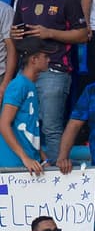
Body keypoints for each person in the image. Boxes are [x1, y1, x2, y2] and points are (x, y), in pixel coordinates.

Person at [12, 0, 89, 161]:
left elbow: (83, 34)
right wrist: (15, 35)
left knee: (51, 127)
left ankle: (57, 176)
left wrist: (50, 33)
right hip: (26, 70)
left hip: (55, 69)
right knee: (21, 123)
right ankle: (25, 172)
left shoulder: (67, 0)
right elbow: (16, 32)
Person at [0, 37, 54, 176]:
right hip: (15, 166)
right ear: (34, 60)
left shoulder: (29, 85)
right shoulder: (19, 85)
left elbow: (30, 129)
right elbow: (4, 124)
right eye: (45, 56)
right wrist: (25, 158)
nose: (49, 60)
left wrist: (43, 157)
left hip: (31, 164)